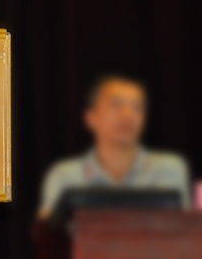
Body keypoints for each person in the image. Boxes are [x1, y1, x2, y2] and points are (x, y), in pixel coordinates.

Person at [38, 72, 191, 219]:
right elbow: (49, 232)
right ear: (91, 118)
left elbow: (180, 230)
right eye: (116, 105)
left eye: (137, 107)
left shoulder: (168, 169)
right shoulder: (65, 175)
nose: (128, 115)